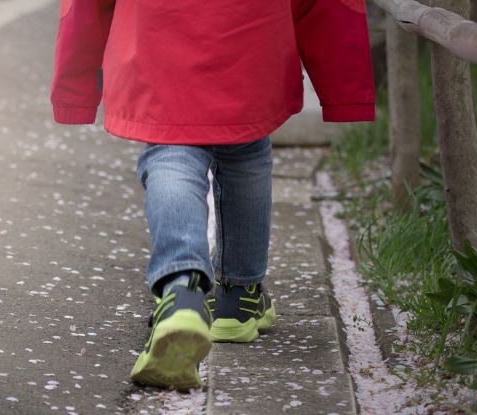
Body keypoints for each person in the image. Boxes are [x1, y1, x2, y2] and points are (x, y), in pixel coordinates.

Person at [50, 0, 375, 389]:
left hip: (156, 35)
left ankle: (183, 291)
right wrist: (345, 88)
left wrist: (75, 86)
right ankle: (238, 299)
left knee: (172, 152)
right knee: (247, 149)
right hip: (253, 35)